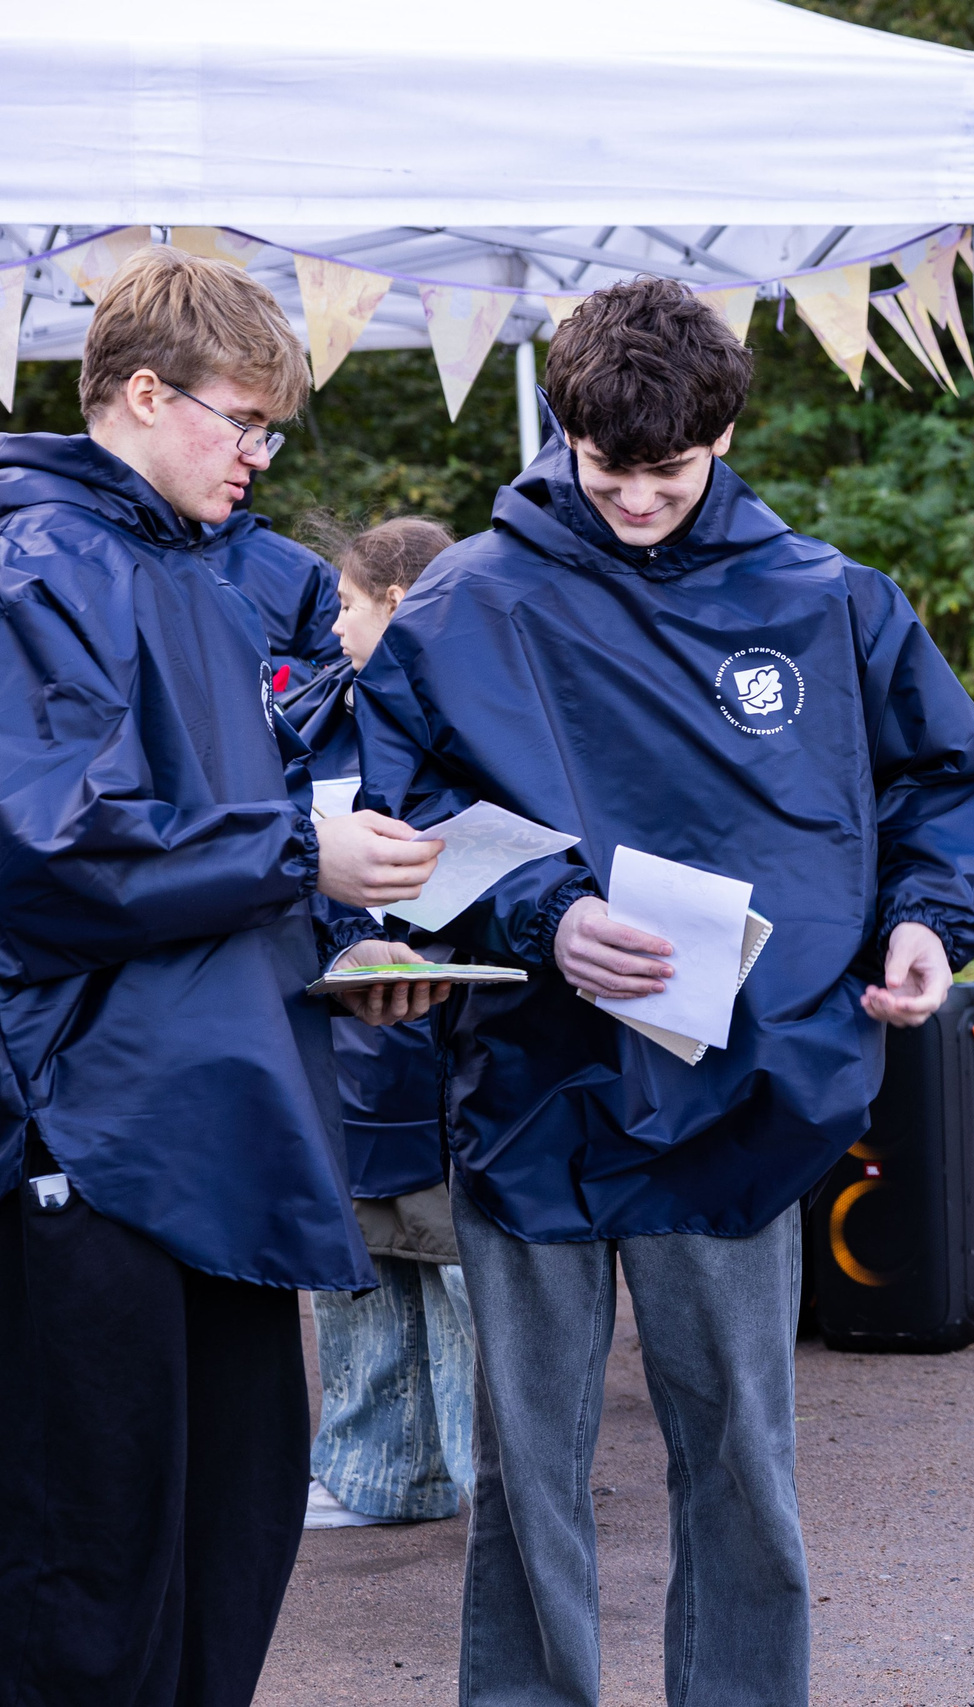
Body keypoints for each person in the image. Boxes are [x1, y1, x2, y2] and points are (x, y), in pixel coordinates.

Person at [353, 277, 974, 1707]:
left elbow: (950, 778)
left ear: (722, 434)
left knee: (740, 1463)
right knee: (526, 1467)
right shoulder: (474, 598)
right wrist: (546, 914)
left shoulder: (828, 598)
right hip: (532, 1087)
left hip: (740, 1092)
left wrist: (924, 920)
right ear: (563, 436)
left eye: (670, 470)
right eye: (610, 471)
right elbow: (402, 817)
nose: (640, 499)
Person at [0, 246, 449, 1707]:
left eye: (273, 428)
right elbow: (51, 850)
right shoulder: (39, 562)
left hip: (238, 1114)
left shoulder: (229, 572)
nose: (261, 454)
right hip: (95, 1131)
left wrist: (346, 944)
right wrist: (299, 857)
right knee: (92, 1563)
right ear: (141, 391)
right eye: (241, 419)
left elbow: (236, 818)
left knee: (235, 1524)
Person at [293, 517, 480, 1530]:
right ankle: (376, 1473)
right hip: (348, 1055)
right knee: (358, 1271)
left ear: (397, 602)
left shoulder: (470, 712)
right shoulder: (320, 712)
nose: (335, 623)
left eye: (349, 605)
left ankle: (483, 1473)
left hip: (444, 1051)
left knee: (458, 1276)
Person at [207, 499, 343, 694]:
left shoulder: (299, 568)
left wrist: (271, 686)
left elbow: (350, 675)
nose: (261, 465)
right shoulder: (149, 563)